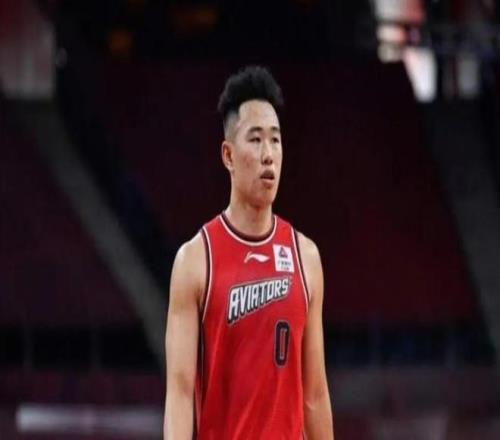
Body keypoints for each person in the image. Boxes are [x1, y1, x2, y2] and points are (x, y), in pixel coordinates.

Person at [164, 65, 334, 439]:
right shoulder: (196, 260)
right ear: (228, 155)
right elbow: (179, 395)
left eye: (275, 140)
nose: (268, 154)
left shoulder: (305, 257)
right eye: (255, 140)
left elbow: (315, 395)